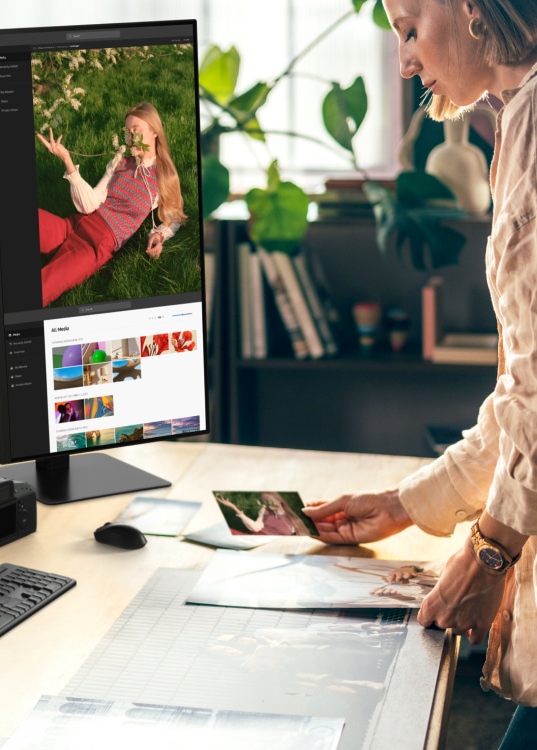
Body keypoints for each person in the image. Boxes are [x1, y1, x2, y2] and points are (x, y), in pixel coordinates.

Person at [301, 2, 537, 746]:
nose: (404, 62)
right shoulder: (517, 117)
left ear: (469, 8)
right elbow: (520, 406)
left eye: (408, 27)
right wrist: (405, 504)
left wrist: (489, 555)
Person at [36, 101, 187, 307]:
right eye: (128, 132)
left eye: (137, 130)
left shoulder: (163, 176)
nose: (131, 137)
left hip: (94, 247)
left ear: (154, 132)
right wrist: (67, 160)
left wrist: (159, 235)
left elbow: (175, 216)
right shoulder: (120, 161)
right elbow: (89, 205)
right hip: (72, 226)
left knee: (43, 287)